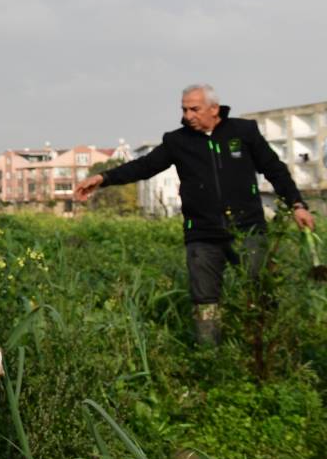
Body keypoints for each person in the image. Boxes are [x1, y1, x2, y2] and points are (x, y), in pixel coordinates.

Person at [74, 84, 315, 345]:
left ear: (214, 109)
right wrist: (103, 177)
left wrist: (297, 205)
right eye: (184, 109)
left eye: (194, 109)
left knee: (259, 290)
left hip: (247, 229)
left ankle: (266, 349)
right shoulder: (177, 141)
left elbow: (275, 170)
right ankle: (209, 355)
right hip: (202, 234)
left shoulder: (243, 132)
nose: (188, 115)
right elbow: (144, 166)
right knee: (205, 299)